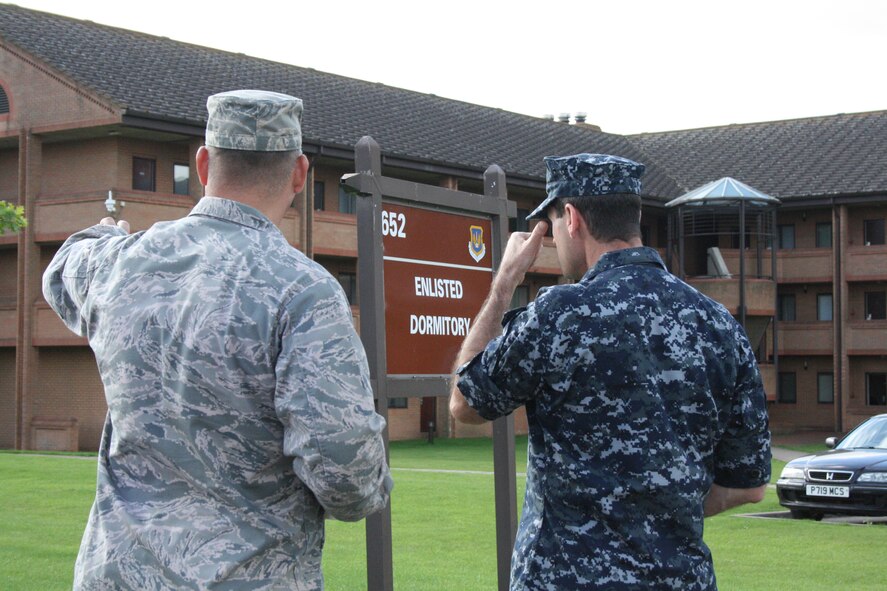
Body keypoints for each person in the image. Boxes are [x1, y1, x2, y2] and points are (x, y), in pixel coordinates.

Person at [43, 89, 392, 590]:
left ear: (203, 164)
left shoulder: (117, 264)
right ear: (299, 173)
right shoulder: (303, 291)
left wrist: (103, 236)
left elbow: (62, 270)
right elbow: (346, 473)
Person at [450, 153, 770, 590]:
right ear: (633, 216)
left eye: (553, 226)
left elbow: (464, 403)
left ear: (571, 217)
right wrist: (661, 502)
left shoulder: (560, 314)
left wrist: (504, 281)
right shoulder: (718, 324)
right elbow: (749, 486)